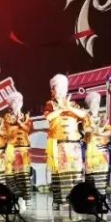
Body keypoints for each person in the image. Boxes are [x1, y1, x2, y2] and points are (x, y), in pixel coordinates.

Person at [44, 74, 87, 210]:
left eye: (64, 87)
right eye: (58, 87)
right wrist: (62, 108)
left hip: (73, 144)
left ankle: (77, 201)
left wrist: (69, 107)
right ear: (52, 90)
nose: (62, 90)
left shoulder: (73, 104)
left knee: (76, 173)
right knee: (61, 174)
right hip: (59, 144)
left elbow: (84, 115)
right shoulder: (50, 104)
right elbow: (49, 117)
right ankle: (62, 202)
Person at [3, 91, 33, 204]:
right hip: (12, 148)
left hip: (24, 148)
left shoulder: (26, 117)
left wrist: (21, 123)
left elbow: (28, 129)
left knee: (25, 173)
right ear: (10, 104)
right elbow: (8, 130)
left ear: (22, 103)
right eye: (14, 101)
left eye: (19, 101)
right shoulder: (7, 117)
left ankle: (26, 197)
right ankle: (16, 196)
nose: (17, 103)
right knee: (14, 173)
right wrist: (19, 124)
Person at [83, 91, 111, 194]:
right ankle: (93, 197)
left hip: (102, 150)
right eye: (93, 103)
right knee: (91, 177)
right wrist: (99, 130)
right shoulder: (86, 118)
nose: (95, 105)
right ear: (89, 104)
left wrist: (99, 132)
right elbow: (87, 130)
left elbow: (109, 131)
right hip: (91, 150)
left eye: (97, 103)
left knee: (102, 176)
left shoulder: (103, 117)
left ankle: (102, 196)